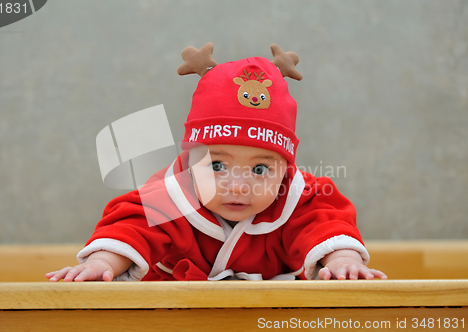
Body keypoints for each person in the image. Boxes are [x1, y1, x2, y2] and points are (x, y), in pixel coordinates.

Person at [46, 43, 387, 282]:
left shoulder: (298, 197)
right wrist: (104, 261)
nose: (237, 184)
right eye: (218, 165)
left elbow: (325, 222)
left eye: (259, 169)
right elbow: (133, 225)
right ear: (189, 161)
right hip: (179, 313)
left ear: (285, 168)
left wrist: (342, 259)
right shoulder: (173, 194)